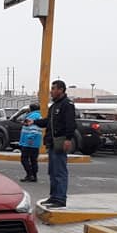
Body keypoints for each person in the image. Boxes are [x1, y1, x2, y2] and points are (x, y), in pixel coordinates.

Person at [34, 80, 76, 208]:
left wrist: (68, 139)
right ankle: (53, 196)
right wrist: (34, 122)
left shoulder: (66, 105)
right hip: (52, 143)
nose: (51, 91)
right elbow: (48, 122)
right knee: (52, 171)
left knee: (59, 171)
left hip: (60, 142)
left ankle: (60, 199)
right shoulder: (54, 106)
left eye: (53, 89)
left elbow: (71, 123)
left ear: (61, 90)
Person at [18, 102, 42, 182]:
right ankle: (34, 176)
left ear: (31, 109)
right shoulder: (38, 116)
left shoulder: (32, 116)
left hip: (29, 142)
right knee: (33, 160)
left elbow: (34, 130)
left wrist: (30, 139)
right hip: (35, 143)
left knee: (24, 159)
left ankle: (30, 174)